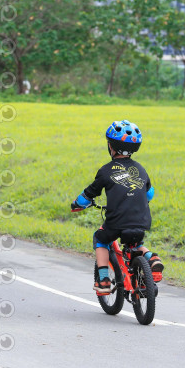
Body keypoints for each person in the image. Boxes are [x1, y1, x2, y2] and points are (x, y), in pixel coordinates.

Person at [71, 120, 164, 293]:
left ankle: (104, 280)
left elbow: (89, 194)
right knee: (135, 244)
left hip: (117, 222)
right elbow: (149, 194)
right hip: (141, 220)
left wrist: (77, 204)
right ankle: (152, 258)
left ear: (110, 146)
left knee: (100, 239)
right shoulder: (140, 169)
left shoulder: (106, 170)